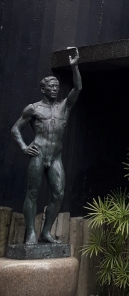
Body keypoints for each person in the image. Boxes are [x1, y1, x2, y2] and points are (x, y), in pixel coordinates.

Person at [11, 47, 81, 244]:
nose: (55, 89)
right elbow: (15, 129)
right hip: (38, 153)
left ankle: (46, 232)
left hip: (55, 156)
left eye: (57, 86)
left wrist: (75, 67)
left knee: (58, 194)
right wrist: (24, 147)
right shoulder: (33, 109)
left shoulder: (64, 107)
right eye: (51, 86)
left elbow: (77, 89)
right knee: (32, 193)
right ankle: (31, 234)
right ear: (43, 89)